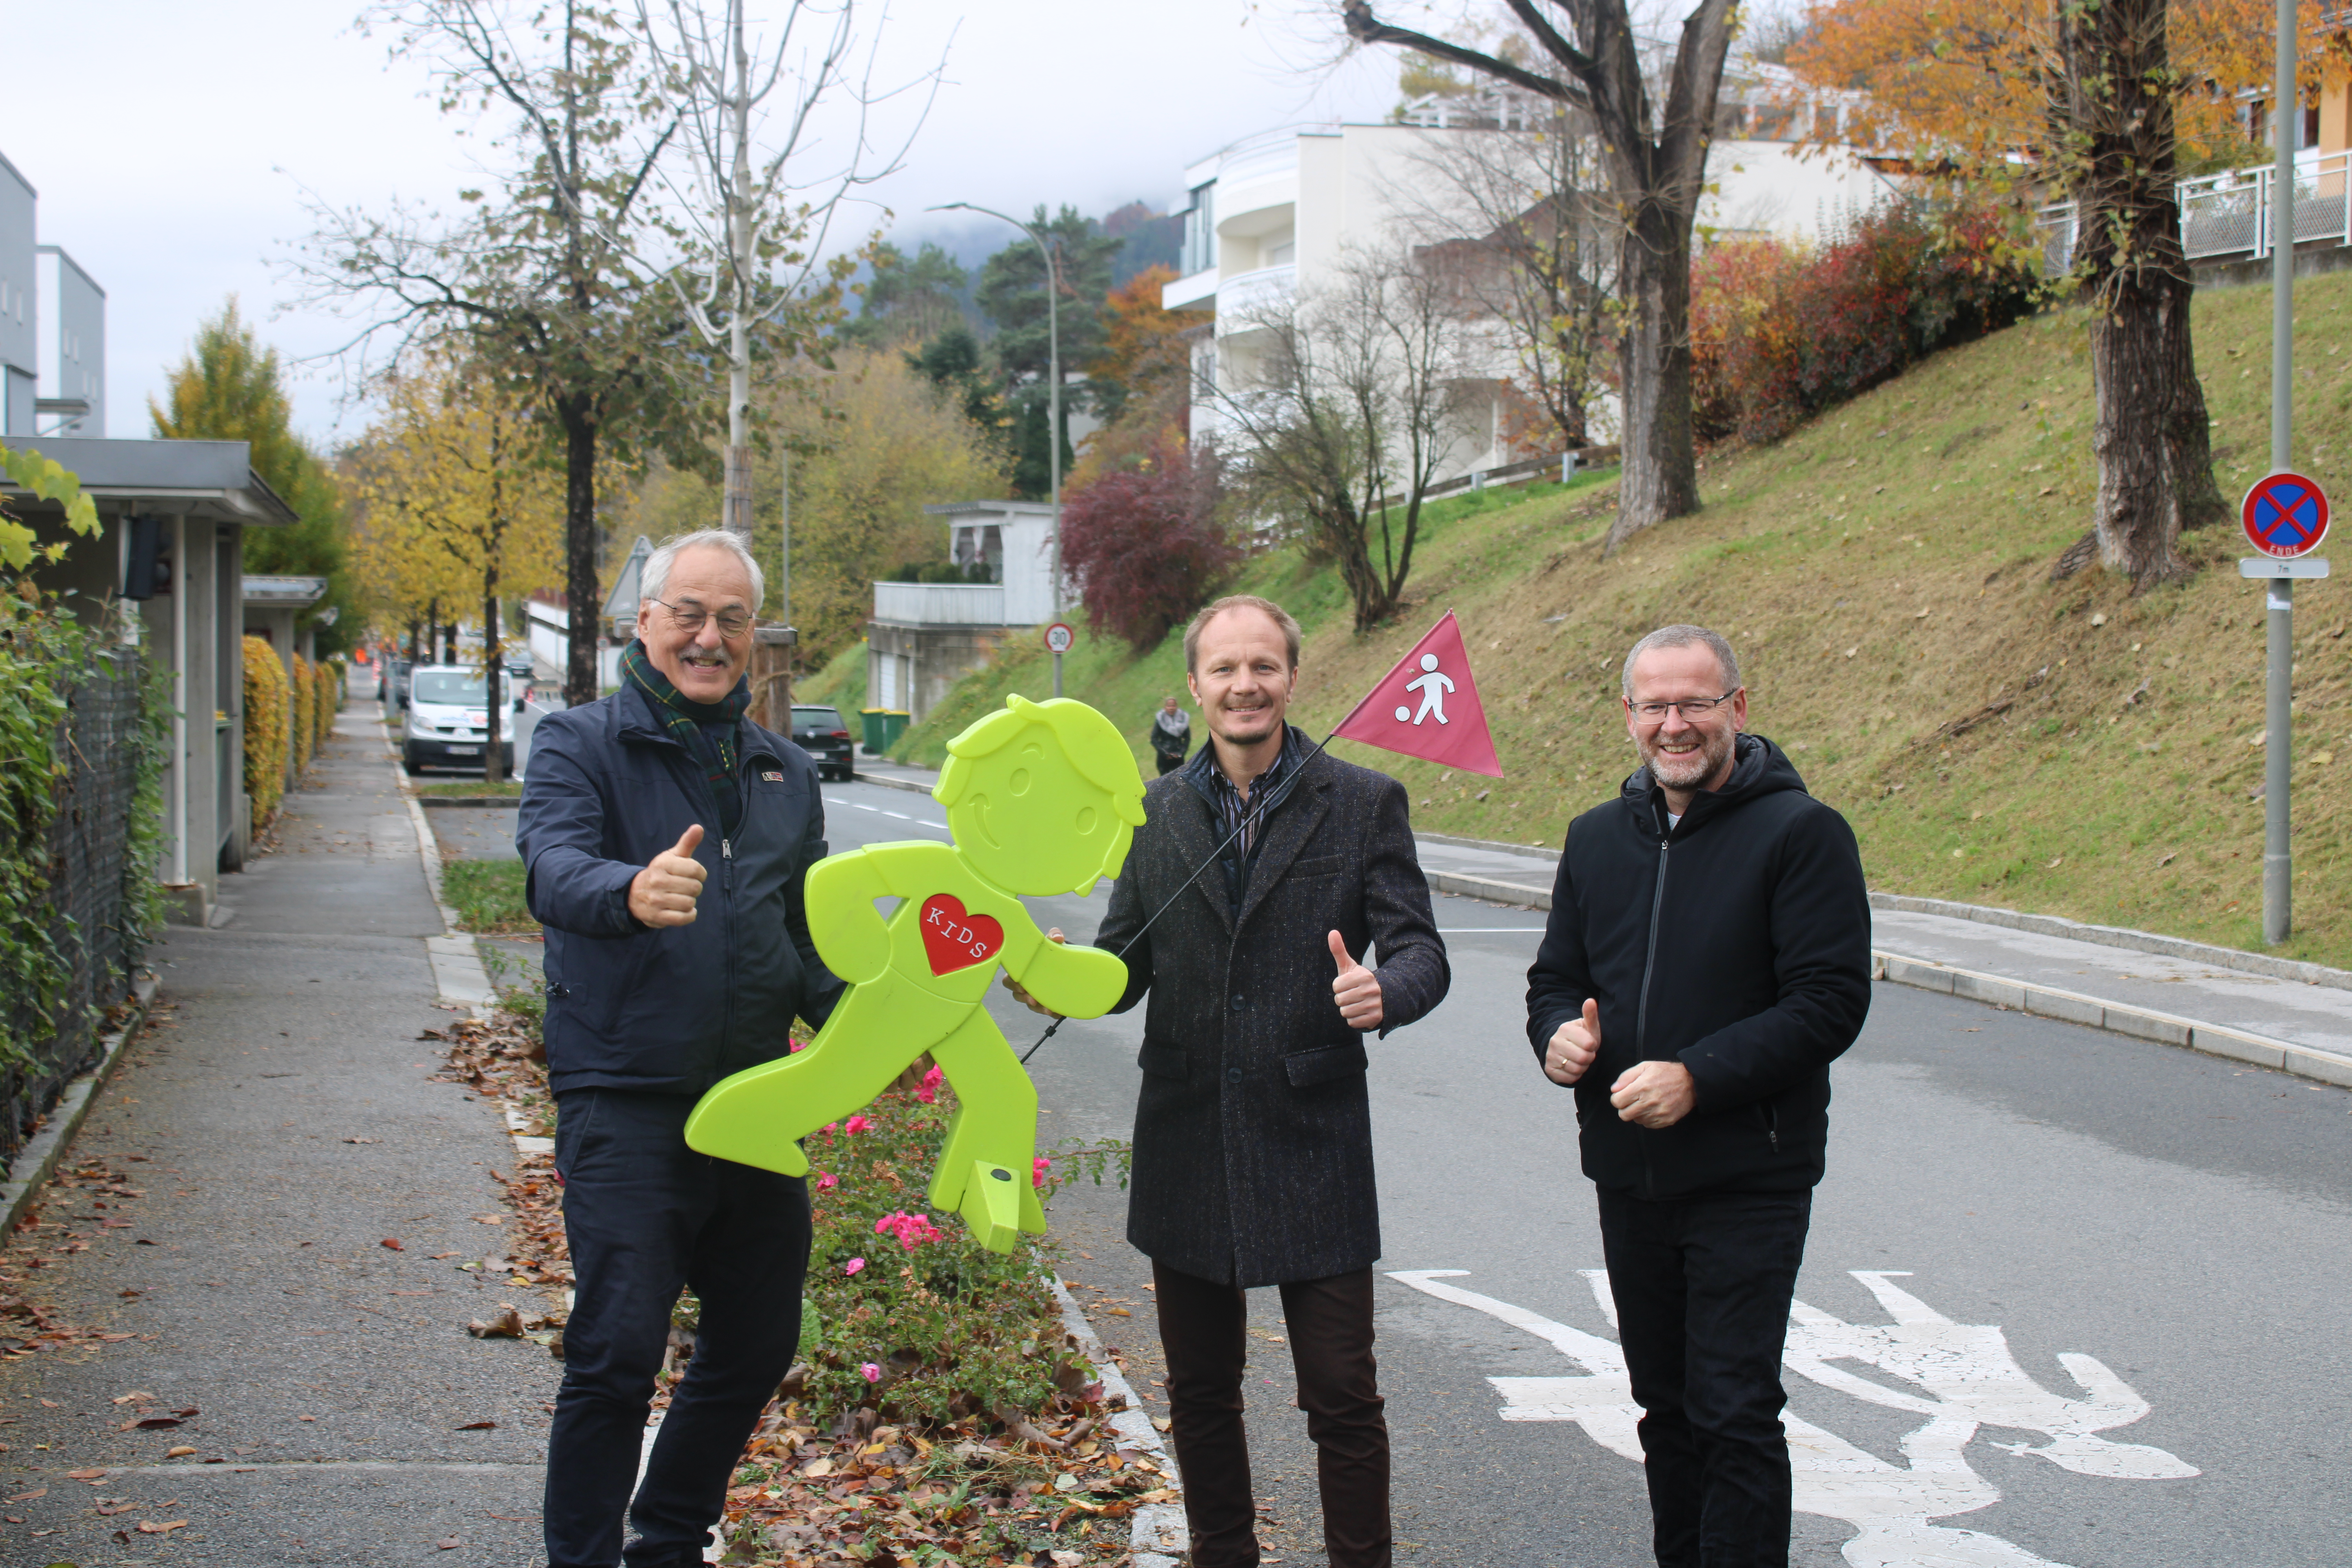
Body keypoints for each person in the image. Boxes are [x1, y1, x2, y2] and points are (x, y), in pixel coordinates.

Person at [1016, 593, 1450, 1568]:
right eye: (1225, 669)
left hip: (1315, 1133)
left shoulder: (1364, 800)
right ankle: (1224, 1553)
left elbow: (1422, 948)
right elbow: (1122, 964)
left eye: (1263, 667)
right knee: (1201, 1390)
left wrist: (1387, 989)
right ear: (1196, 687)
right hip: (1188, 1129)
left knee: (1342, 1392)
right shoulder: (1158, 808)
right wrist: (1053, 974)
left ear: (1293, 678)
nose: (1245, 685)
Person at [516, 528, 842, 1568]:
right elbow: (552, 866)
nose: (710, 638)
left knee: (756, 1348)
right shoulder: (581, 744)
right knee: (614, 1355)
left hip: (756, 1105)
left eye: (732, 620)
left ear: (754, 637)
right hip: (630, 1098)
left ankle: (666, 1538)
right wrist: (629, 891)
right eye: (689, 615)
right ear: (644, 622)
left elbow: (810, 941)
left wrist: (903, 1021)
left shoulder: (786, 771)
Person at [1524, 624, 1870, 1568]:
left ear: (1737, 710)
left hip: (1748, 1170)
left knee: (1732, 1407)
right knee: (1666, 1409)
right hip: (1629, 1174)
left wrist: (1698, 1076)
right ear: (1628, 715)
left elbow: (1831, 1001)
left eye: (1694, 703)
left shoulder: (1801, 833)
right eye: (1654, 705)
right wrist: (1558, 1037)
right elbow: (1553, 977)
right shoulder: (1596, 838)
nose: (1674, 724)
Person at [1149, 693, 1192, 775]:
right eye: (1169, 706)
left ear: (1177, 707)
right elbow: (1154, 738)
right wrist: (1164, 753)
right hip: (1164, 758)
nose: (1171, 708)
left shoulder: (1183, 719)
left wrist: (1182, 752)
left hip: (1178, 757)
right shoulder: (1160, 720)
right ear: (1165, 707)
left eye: (1173, 706)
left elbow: (1187, 738)